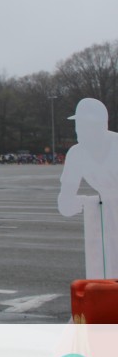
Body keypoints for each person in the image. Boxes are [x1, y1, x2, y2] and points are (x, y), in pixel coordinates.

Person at [57, 97, 118, 278]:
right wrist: (76, 203)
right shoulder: (76, 154)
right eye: (79, 125)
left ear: (101, 126)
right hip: (108, 215)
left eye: (86, 126)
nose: (79, 131)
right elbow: (66, 198)